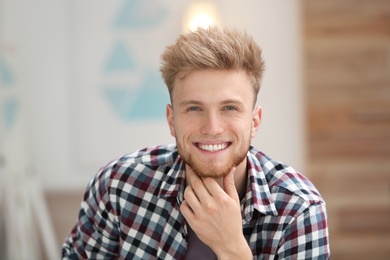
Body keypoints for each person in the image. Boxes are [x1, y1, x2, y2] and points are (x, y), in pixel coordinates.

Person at [62, 26, 330, 259]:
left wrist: (233, 249)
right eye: (193, 108)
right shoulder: (117, 186)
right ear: (171, 119)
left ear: (255, 121)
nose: (212, 128)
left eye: (229, 108)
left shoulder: (299, 211)